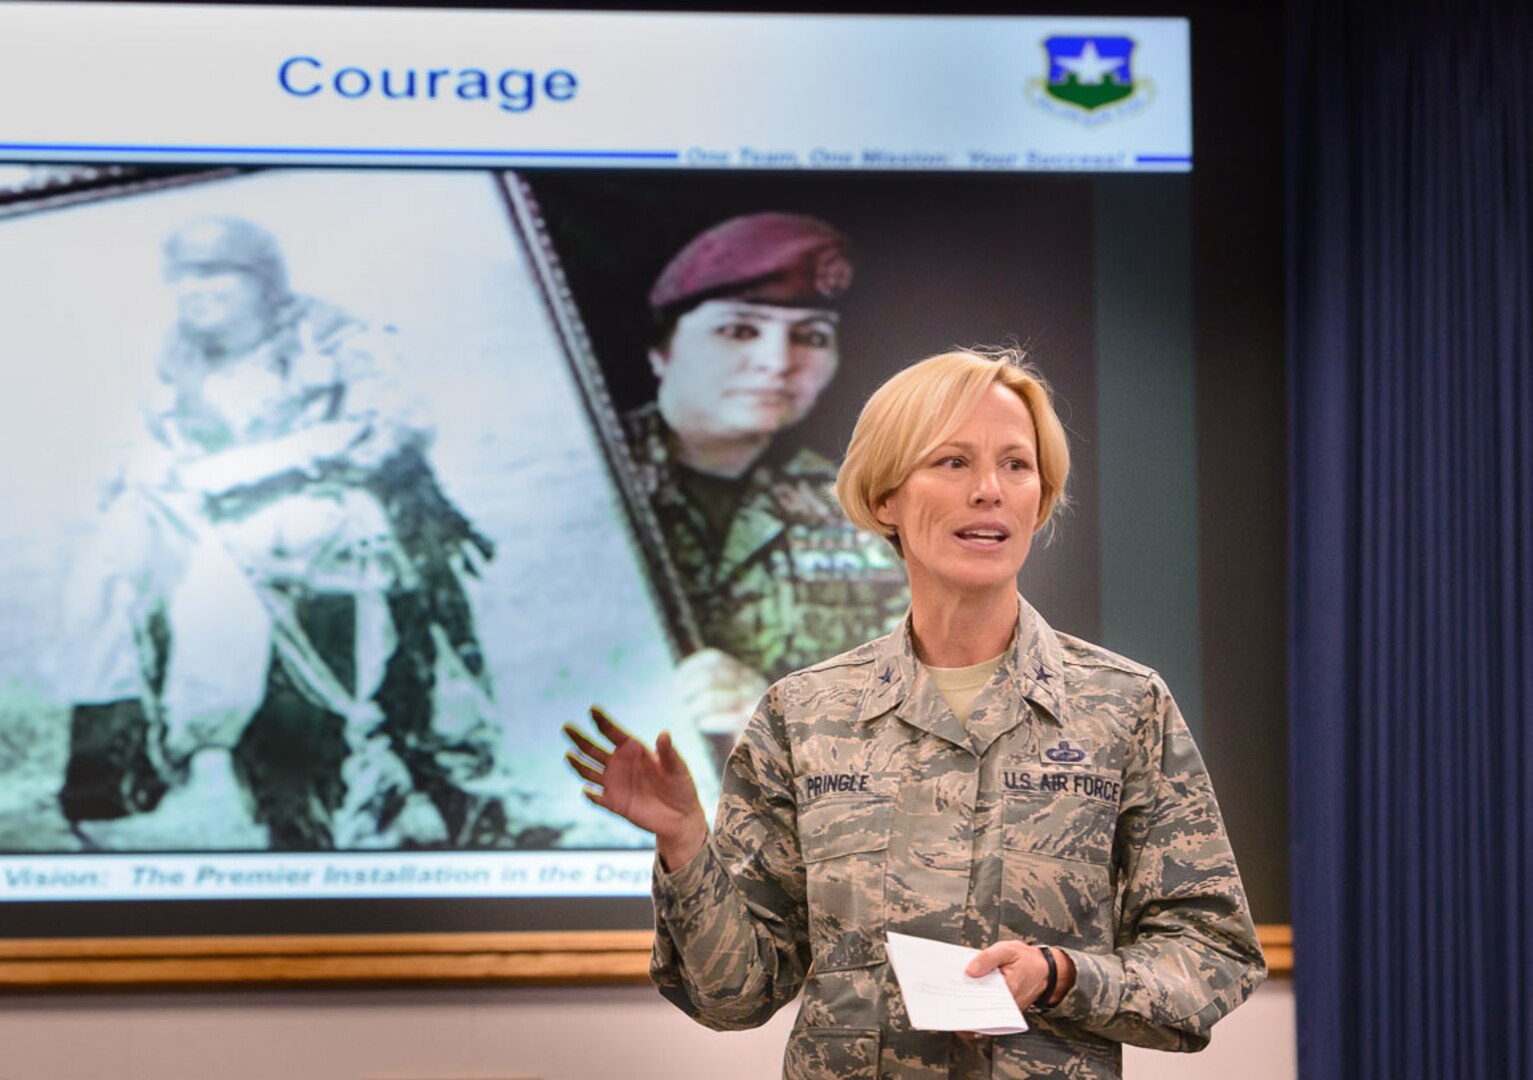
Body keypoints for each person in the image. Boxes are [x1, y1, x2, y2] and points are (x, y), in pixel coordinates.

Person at [565, 350, 1265, 1078]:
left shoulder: (1123, 706)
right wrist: (684, 843)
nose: (989, 490)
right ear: (883, 499)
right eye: (952, 462)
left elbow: (1211, 954)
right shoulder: (801, 716)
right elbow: (732, 996)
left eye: (1016, 466)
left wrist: (1060, 976)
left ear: (1040, 498)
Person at [58, 215, 515, 850]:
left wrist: (271, 462)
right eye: (184, 277)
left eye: (217, 274)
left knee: (428, 712)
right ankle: (156, 786)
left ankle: (471, 820)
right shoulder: (175, 360)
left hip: (367, 538)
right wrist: (146, 472)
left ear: (262, 281)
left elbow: (397, 426)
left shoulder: (337, 338)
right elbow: (138, 451)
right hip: (236, 559)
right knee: (123, 566)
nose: (198, 290)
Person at [625, 211, 908, 770]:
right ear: (661, 350)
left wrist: (777, 724)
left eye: (810, 336)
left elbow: (922, 722)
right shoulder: (581, 487)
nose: (778, 362)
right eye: (738, 330)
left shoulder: (859, 512)